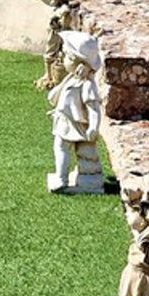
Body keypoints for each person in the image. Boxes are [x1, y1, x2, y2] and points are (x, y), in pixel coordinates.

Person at [47, 30, 104, 193]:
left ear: (80, 64)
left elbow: (93, 107)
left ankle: (62, 178)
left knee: (62, 147)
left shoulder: (86, 85)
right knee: (61, 147)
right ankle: (66, 176)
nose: (63, 60)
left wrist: (94, 126)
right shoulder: (72, 79)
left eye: (67, 56)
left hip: (76, 124)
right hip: (65, 120)